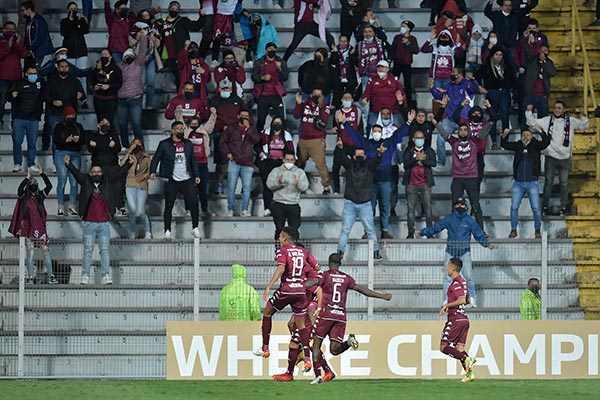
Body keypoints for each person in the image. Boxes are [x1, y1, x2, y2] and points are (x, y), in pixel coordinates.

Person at [306, 253, 392, 384]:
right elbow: (362, 289)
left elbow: (313, 282)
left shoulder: (325, 275)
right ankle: (348, 343)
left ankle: (318, 376)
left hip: (326, 315)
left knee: (314, 344)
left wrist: (296, 286)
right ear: (339, 264)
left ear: (329, 263)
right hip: (340, 316)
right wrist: (382, 296)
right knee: (334, 349)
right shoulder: (346, 278)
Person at [256, 226, 319, 373]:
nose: (279, 239)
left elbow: (281, 269)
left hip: (287, 289)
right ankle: (307, 358)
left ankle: (265, 348)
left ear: (285, 238)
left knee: (267, 312)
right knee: (300, 323)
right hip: (301, 290)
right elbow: (317, 266)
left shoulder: (282, 251)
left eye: (280, 237)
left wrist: (268, 286)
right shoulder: (304, 251)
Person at [64, 154, 133, 285]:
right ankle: (85, 276)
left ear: (102, 172)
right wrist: (68, 164)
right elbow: (76, 173)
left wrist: (129, 163)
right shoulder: (85, 180)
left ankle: (106, 275)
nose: (96, 173)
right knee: (88, 251)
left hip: (104, 224)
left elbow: (119, 173)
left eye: (98, 171)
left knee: (105, 251)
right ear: (90, 173)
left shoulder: (107, 180)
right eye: (94, 171)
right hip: (89, 223)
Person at [416, 198, 495, 307]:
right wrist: (422, 232)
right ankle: (446, 300)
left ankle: (472, 299)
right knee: (447, 278)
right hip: (451, 252)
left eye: (462, 205)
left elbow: (478, 234)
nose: (460, 206)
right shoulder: (449, 218)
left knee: (468, 277)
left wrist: (486, 244)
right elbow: (436, 228)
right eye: (458, 204)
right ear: (454, 206)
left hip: (464, 252)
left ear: (466, 207)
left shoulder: (470, 220)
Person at [526, 101, 588, 216]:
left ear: (563, 110)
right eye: (555, 108)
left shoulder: (571, 121)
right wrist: (528, 111)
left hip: (565, 158)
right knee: (548, 182)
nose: (557, 110)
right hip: (551, 156)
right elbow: (531, 123)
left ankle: (563, 206)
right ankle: (545, 206)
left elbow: (584, 125)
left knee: (564, 184)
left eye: (559, 108)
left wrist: (584, 115)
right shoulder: (547, 120)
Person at [150, 121, 202, 240]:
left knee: (194, 203)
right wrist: (152, 171)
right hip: (172, 179)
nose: (181, 131)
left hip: (187, 179)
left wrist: (197, 175)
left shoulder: (188, 144)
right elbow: (156, 158)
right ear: (173, 131)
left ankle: (195, 228)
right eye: (178, 129)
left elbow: (192, 160)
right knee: (169, 205)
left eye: (182, 128)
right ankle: (167, 230)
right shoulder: (164, 144)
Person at [8, 165, 58, 285]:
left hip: (40, 230)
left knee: (46, 252)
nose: (33, 183)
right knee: (30, 254)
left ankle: (51, 275)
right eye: (31, 182)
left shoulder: (40, 196)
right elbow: (19, 189)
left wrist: (42, 173)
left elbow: (50, 186)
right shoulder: (23, 197)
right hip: (29, 230)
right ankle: (30, 276)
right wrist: (27, 177)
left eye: (35, 182)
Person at [336, 146, 385, 260]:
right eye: (357, 154)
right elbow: (341, 158)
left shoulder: (369, 166)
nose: (359, 156)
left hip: (365, 204)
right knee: (345, 229)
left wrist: (379, 154)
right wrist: (339, 148)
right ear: (353, 156)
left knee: (370, 229)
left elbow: (377, 161)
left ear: (365, 156)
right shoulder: (349, 165)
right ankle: (340, 252)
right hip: (350, 203)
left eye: (361, 154)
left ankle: (375, 252)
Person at [501, 128, 550, 239]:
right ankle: (513, 230)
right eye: (524, 134)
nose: (526, 137)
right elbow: (504, 144)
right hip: (518, 183)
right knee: (514, 207)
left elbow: (546, 142)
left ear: (532, 136)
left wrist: (541, 132)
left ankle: (537, 230)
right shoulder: (518, 145)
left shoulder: (536, 145)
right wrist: (504, 135)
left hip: (532, 182)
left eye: (528, 135)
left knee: (536, 208)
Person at [439, 257, 477, 383]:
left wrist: (447, 305)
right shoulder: (462, 282)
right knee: (460, 349)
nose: (447, 268)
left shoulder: (456, 283)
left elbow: (461, 300)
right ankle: (469, 374)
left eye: (448, 266)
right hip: (463, 319)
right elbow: (467, 300)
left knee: (443, 347)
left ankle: (467, 359)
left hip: (455, 319)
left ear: (453, 268)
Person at [209, 78, 247, 194]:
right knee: (222, 163)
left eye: (227, 88)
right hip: (220, 135)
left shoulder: (237, 101)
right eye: (223, 88)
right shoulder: (214, 101)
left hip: (235, 135)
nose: (226, 90)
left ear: (231, 89)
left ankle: (239, 186)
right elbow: (210, 118)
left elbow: (245, 115)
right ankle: (219, 184)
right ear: (219, 89)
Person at [220, 109, 261, 217]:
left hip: (247, 162)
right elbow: (223, 142)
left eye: (246, 116)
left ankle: (244, 210)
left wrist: (248, 129)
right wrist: (228, 153)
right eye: (242, 115)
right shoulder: (231, 128)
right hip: (234, 161)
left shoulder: (252, 129)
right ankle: (230, 208)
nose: (244, 117)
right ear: (238, 116)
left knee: (247, 188)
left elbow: (257, 140)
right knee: (231, 187)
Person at [154, 1, 203, 88]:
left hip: (181, 56)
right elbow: (146, 21)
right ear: (169, 9)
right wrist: (154, 11)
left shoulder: (183, 21)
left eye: (176, 9)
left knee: (183, 77)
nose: (174, 10)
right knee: (179, 78)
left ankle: (185, 95)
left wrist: (202, 16)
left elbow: (196, 26)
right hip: (166, 57)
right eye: (172, 8)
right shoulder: (160, 23)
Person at [294, 88, 332, 195]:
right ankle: (297, 185)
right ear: (310, 95)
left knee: (320, 164)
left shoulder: (325, 106)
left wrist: (320, 105)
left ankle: (326, 186)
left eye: (319, 95)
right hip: (303, 139)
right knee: (300, 163)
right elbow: (296, 115)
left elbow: (324, 119)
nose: (317, 97)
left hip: (317, 139)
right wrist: (298, 103)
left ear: (323, 97)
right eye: (315, 95)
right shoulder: (305, 104)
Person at [43, 59, 85, 151]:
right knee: (56, 137)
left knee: (72, 136)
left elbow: (83, 95)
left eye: (66, 67)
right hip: (56, 113)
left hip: (71, 114)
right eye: (62, 66)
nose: (64, 69)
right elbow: (45, 96)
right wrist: (53, 102)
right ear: (58, 68)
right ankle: (56, 160)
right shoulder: (52, 80)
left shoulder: (74, 80)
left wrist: (80, 95)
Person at [267, 151, 309, 241]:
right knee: (279, 228)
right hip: (279, 202)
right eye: (287, 160)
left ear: (294, 160)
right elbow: (269, 185)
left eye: (291, 160)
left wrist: (298, 184)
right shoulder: (276, 171)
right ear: (283, 160)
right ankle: (278, 251)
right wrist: (279, 182)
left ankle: (293, 249)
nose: (289, 162)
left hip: (293, 203)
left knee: (294, 230)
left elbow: (305, 186)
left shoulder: (299, 172)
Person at [8, 66, 44, 173]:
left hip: (33, 119)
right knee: (17, 141)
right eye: (30, 73)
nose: (33, 75)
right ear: (26, 74)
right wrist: (12, 95)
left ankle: (31, 164)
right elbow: (8, 96)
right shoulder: (18, 83)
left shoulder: (41, 84)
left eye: (35, 73)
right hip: (19, 117)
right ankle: (17, 163)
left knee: (32, 143)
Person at [87, 118, 126, 215]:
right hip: (99, 166)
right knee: (99, 188)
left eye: (107, 123)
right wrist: (105, 146)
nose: (105, 125)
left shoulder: (113, 136)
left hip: (113, 165)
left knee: (118, 186)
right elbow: (91, 149)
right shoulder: (93, 136)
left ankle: (120, 207)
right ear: (98, 125)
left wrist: (103, 146)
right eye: (103, 123)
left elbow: (117, 148)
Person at [403, 130, 436, 239]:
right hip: (411, 184)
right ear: (413, 139)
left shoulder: (429, 150)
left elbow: (433, 163)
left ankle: (429, 232)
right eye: (417, 138)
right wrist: (415, 159)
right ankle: (410, 233)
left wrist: (424, 159)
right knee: (411, 210)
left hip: (425, 183)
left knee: (428, 209)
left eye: (421, 138)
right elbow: (406, 164)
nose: (419, 140)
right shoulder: (408, 150)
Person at [258, 117, 294, 217]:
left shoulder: (286, 135)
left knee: (282, 186)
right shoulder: (265, 133)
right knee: (267, 186)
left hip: (281, 163)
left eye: (279, 122)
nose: (277, 124)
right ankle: (267, 208)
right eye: (275, 122)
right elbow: (256, 145)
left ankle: (281, 209)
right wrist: (261, 153)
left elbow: (291, 150)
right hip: (268, 162)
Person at [184, 110, 217, 219]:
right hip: (189, 165)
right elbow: (179, 121)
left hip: (202, 163)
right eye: (192, 123)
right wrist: (178, 114)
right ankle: (188, 209)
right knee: (189, 189)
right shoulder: (185, 132)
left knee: (203, 189)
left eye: (196, 123)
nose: (194, 125)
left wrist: (213, 114)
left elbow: (210, 124)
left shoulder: (203, 131)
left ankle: (204, 210)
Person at [53, 106, 85, 216]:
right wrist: (66, 140)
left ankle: (72, 206)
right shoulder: (59, 126)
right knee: (62, 180)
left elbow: (83, 140)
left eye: (73, 115)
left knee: (74, 181)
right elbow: (56, 141)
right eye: (69, 115)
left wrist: (78, 140)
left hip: (75, 154)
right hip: (62, 153)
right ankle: (60, 206)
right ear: (65, 116)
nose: (72, 117)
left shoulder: (78, 126)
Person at [117, 37, 148, 148]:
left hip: (135, 99)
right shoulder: (119, 66)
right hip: (121, 100)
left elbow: (143, 51)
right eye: (127, 56)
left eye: (131, 56)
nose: (129, 57)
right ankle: (125, 146)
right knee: (122, 124)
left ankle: (140, 147)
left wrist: (143, 38)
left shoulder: (138, 64)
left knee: (136, 124)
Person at [251, 42, 288, 132]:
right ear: (266, 50)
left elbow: (285, 77)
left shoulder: (280, 62)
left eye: (274, 48)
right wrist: (262, 77)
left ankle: (283, 139)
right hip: (263, 95)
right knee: (261, 120)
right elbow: (254, 76)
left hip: (276, 94)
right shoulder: (259, 62)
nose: (272, 50)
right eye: (270, 48)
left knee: (281, 119)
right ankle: (258, 142)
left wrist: (279, 68)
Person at [361, 60, 406, 130]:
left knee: (400, 129)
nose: (380, 69)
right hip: (376, 111)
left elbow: (402, 95)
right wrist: (365, 99)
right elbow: (366, 94)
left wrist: (401, 102)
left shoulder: (394, 80)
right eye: (379, 67)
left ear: (387, 69)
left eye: (383, 67)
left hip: (392, 111)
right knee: (370, 128)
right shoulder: (372, 80)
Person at [0, 21, 29, 130]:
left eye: (12, 29)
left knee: (16, 101)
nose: (10, 31)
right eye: (8, 29)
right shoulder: (1, 42)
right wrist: (8, 45)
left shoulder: (18, 42)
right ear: (4, 30)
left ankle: (15, 122)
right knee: (2, 100)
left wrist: (18, 44)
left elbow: (24, 54)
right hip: (2, 78)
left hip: (16, 77)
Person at [123, 138, 152, 239]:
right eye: (134, 144)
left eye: (138, 143)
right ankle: (132, 232)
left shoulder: (146, 157)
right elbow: (121, 165)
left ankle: (148, 231)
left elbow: (150, 172)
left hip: (142, 185)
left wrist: (143, 177)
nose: (137, 145)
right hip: (130, 184)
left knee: (141, 211)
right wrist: (129, 151)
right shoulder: (129, 156)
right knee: (132, 210)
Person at [332, 92, 360, 194]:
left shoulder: (357, 111)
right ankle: (336, 189)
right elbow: (335, 126)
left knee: (355, 168)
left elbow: (360, 128)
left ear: (352, 100)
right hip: (341, 144)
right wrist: (335, 130)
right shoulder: (337, 113)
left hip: (354, 144)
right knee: (335, 167)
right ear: (341, 100)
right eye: (345, 98)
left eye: (349, 98)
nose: (347, 100)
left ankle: (354, 189)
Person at [60, 2, 90, 97]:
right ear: (67, 10)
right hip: (69, 52)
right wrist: (70, 20)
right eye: (71, 9)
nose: (73, 11)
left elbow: (86, 30)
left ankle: (83, 98)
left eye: (75, 9)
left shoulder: (80, 20)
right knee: (70, 75)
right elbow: (64, 33)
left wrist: (82, 20)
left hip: (81, 52)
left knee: (82, 76)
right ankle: (70, 97)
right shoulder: (64, 21)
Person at [391, 20, 419, 108]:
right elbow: (392, 49)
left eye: (404, 26)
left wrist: (408, 43)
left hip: (407, 65)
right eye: (401, 26)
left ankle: (408, 104)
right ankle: (392, 99)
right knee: (394, 82)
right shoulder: (397, 37)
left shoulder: (412, 39)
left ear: (409, 29)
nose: (402, 28)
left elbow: (415, 51)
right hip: (397, 64)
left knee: (408, 84)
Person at [90, 49, 123, 122]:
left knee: (109, 121)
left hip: (110, 99)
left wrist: (109, 86)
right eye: (102, 55)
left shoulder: (116, 69)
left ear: (110, 56)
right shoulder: (97, 68)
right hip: (98, 99)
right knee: (100, 121)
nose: (103, 56)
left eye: (105, 54)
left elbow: (119, 83)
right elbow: (92, 80)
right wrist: (95, 86)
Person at [329, 35, 358, 110]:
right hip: (338, 77)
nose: (343, 43)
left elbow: (356, 63)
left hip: (350, 78)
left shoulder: (352, 50)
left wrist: (352, 55)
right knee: (337, 97)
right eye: (341, 41)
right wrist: (335, 53)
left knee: (349, 97)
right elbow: (332, 62)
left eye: (345, 41)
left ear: (348, 42)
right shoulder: (335, 49)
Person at [21, 1, 53, 66]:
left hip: (41, 52)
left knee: (39, 72)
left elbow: (39, 37)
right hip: (33, 52)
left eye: (23, 10)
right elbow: (27, 37)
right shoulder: (28, 21)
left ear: (29, 10)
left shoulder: (39, 21)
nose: (22, 13)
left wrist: (30, 48)